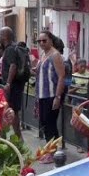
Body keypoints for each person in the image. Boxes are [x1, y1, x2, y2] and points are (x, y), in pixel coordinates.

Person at [34, 31, 66, 160]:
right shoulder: (44, 54)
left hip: (51, 94)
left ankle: (53, 152)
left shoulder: (55, 55)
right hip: (42, 94)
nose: (42, 43)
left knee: (50, 124)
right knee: (45, 123)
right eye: (39, 41)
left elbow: (61, 76)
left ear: (51, 40)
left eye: (44, 40)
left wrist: (57, 97)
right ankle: (51, 150)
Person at [0, 27, 27, 140]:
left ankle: (18, 137)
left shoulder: (10, 49)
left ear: (5, 36)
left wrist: (8, 83)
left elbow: (13, 66)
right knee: (13, 110)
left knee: (13, 110)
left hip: (13, 86)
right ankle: (17, 136)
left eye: (0, 34)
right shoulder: (10, 48)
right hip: (14, 85)